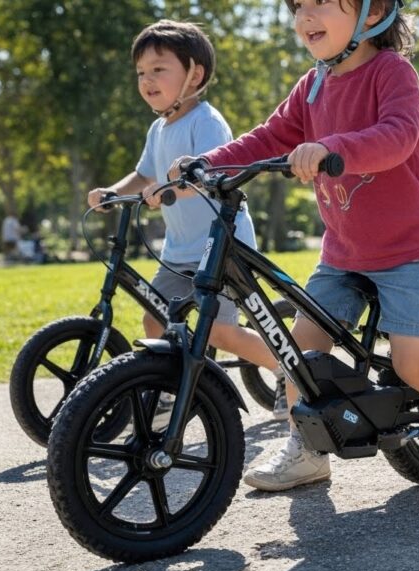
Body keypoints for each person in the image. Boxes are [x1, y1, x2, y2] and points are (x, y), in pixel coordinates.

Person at [169, 0, 419, 509]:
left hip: (409, 247)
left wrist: (333, 147)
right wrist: (207, 163)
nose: (305, 17)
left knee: (413, 364)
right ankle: (308, 450)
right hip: (345, 250)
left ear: (372, 11)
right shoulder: (312, 85)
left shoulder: (392, 73)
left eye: (320, 4)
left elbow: (398, 137)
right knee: (299, 352)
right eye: (298, 8)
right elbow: (269, 137)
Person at [86, 20, 289, 419]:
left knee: (219, 330)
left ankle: (284, 369)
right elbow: (144, 174)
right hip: (179, 249)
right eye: (141, 73)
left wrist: (172, 190)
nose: (147, 80)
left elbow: (212, 174)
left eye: (159, 69)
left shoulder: (206, 122)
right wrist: (114, 191)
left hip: (221, 247)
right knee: (155, 315)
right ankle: (167, 388)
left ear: (194, 74)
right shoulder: (158, 128)